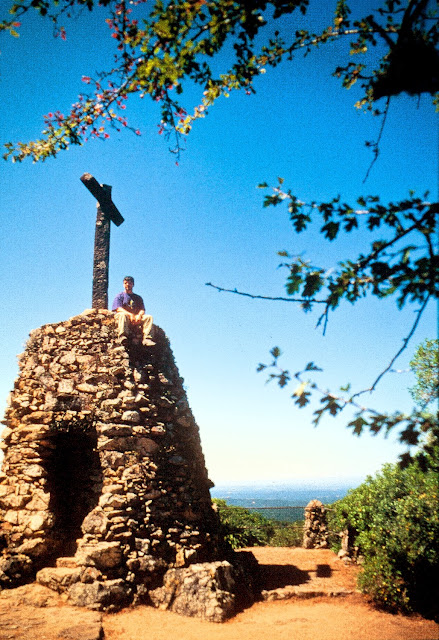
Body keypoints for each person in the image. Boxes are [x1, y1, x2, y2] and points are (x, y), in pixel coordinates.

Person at [111, 276, 154, 345]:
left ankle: (147, 338)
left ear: (133, 284)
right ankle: (122, 336)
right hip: (125, 317)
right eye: (126, 283)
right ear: (123, 284)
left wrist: (139, 315)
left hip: (136, 318)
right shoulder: (119, 296)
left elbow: (142, 309)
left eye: (130, 283)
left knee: (149, 317)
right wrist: (130, 315)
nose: (127, 285)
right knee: (122, 315)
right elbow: (118, 308)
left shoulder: (138, 298)